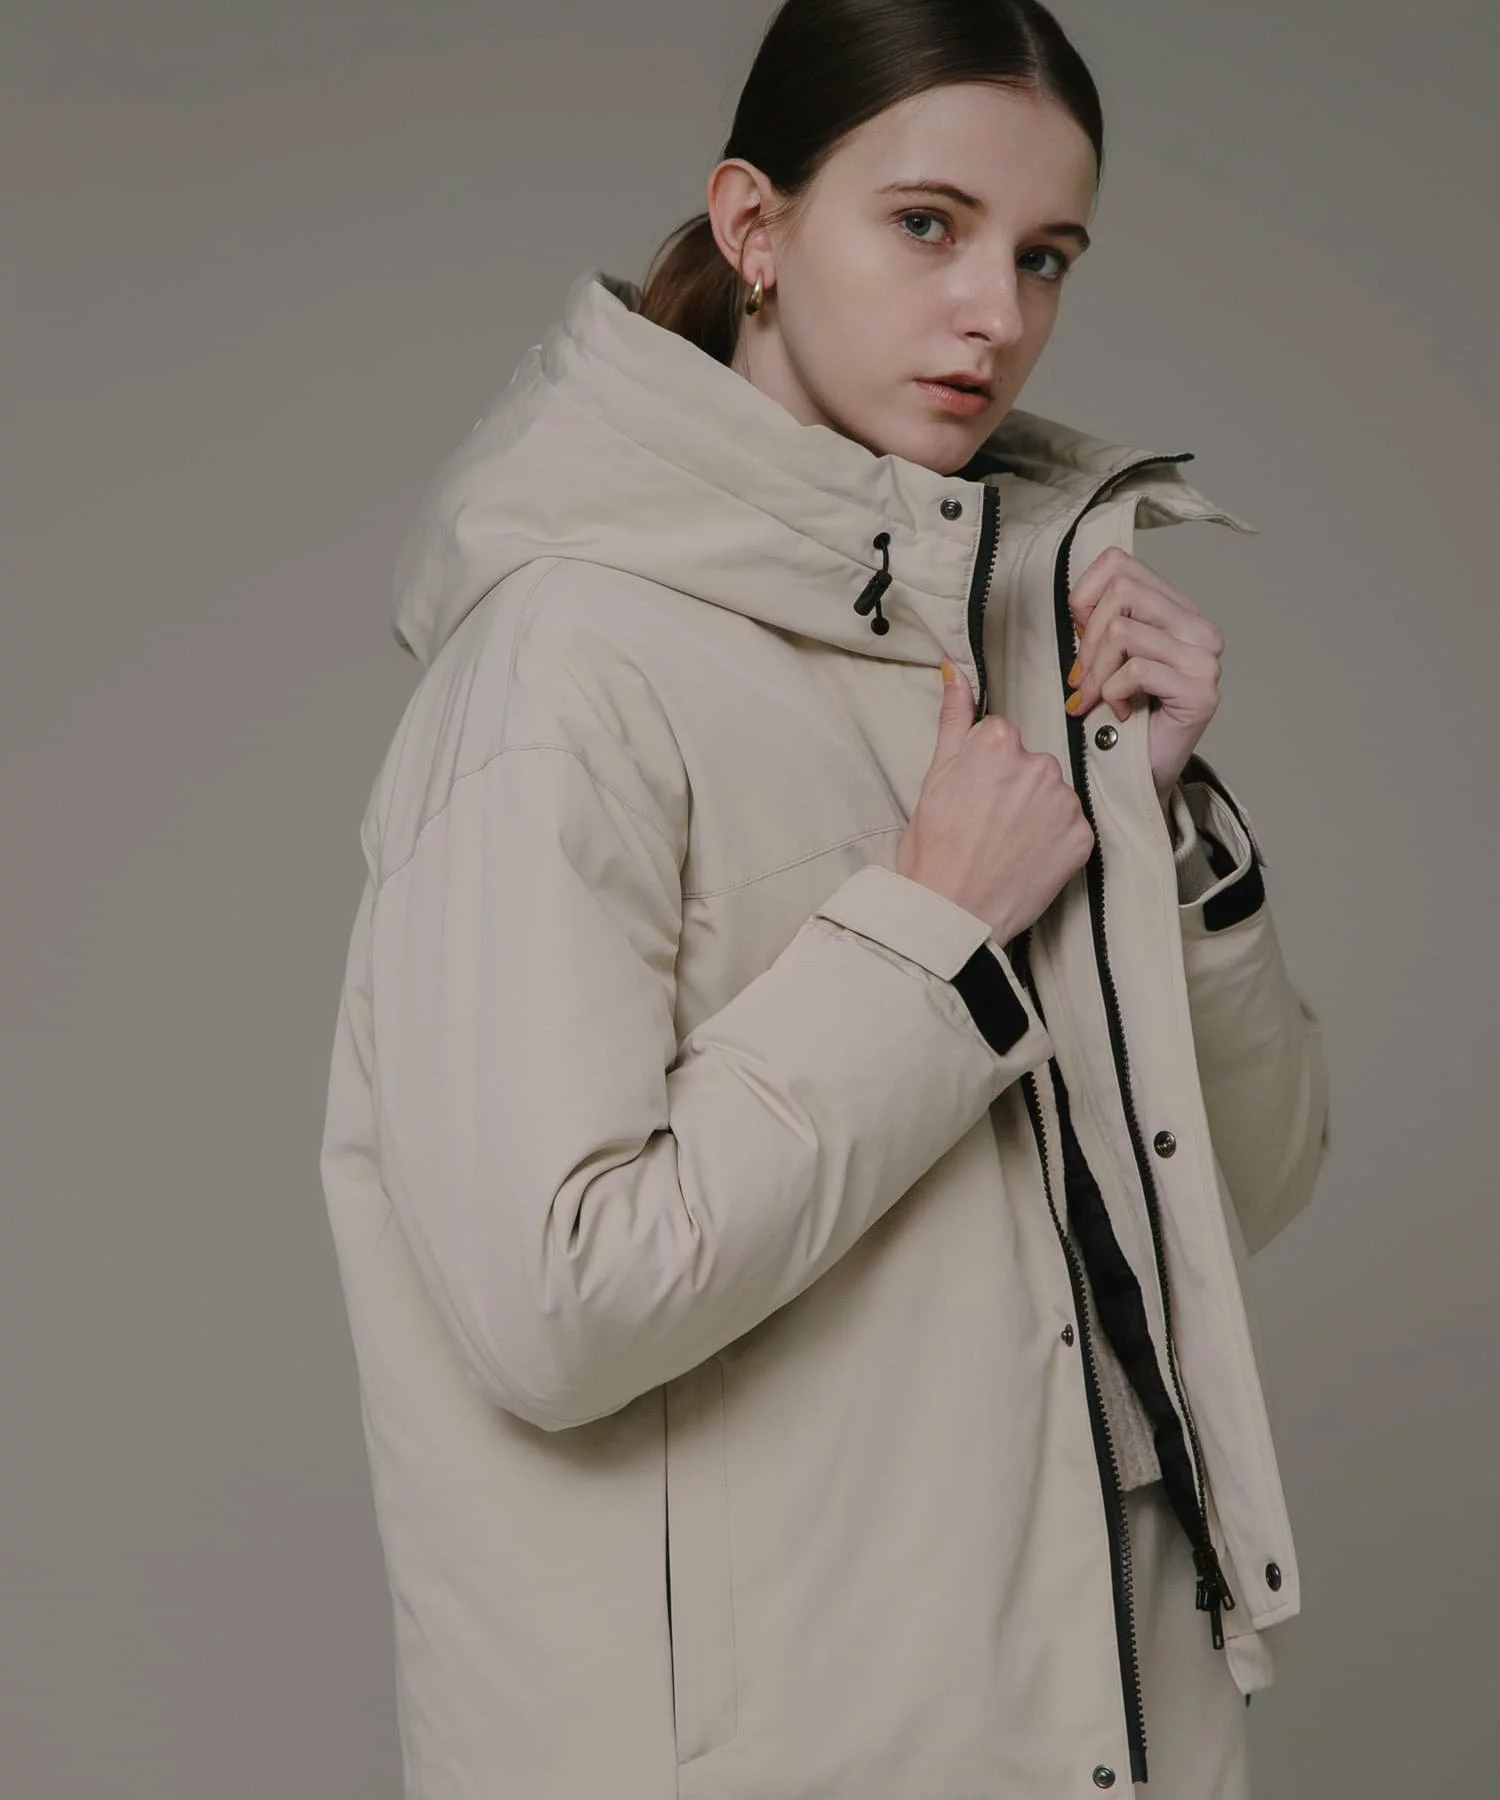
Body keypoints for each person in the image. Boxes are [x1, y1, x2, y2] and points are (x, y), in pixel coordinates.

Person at [317, 2, 1331, 1795]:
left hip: (1092, 1722)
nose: (994, 312)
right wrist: (930, 942)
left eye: (1046, 256)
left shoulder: (1015, 655)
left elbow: (1247, 1193)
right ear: (757, 227)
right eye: (928, 225)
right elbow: (560, 1303)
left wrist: (1162, 833)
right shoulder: (569, 666)